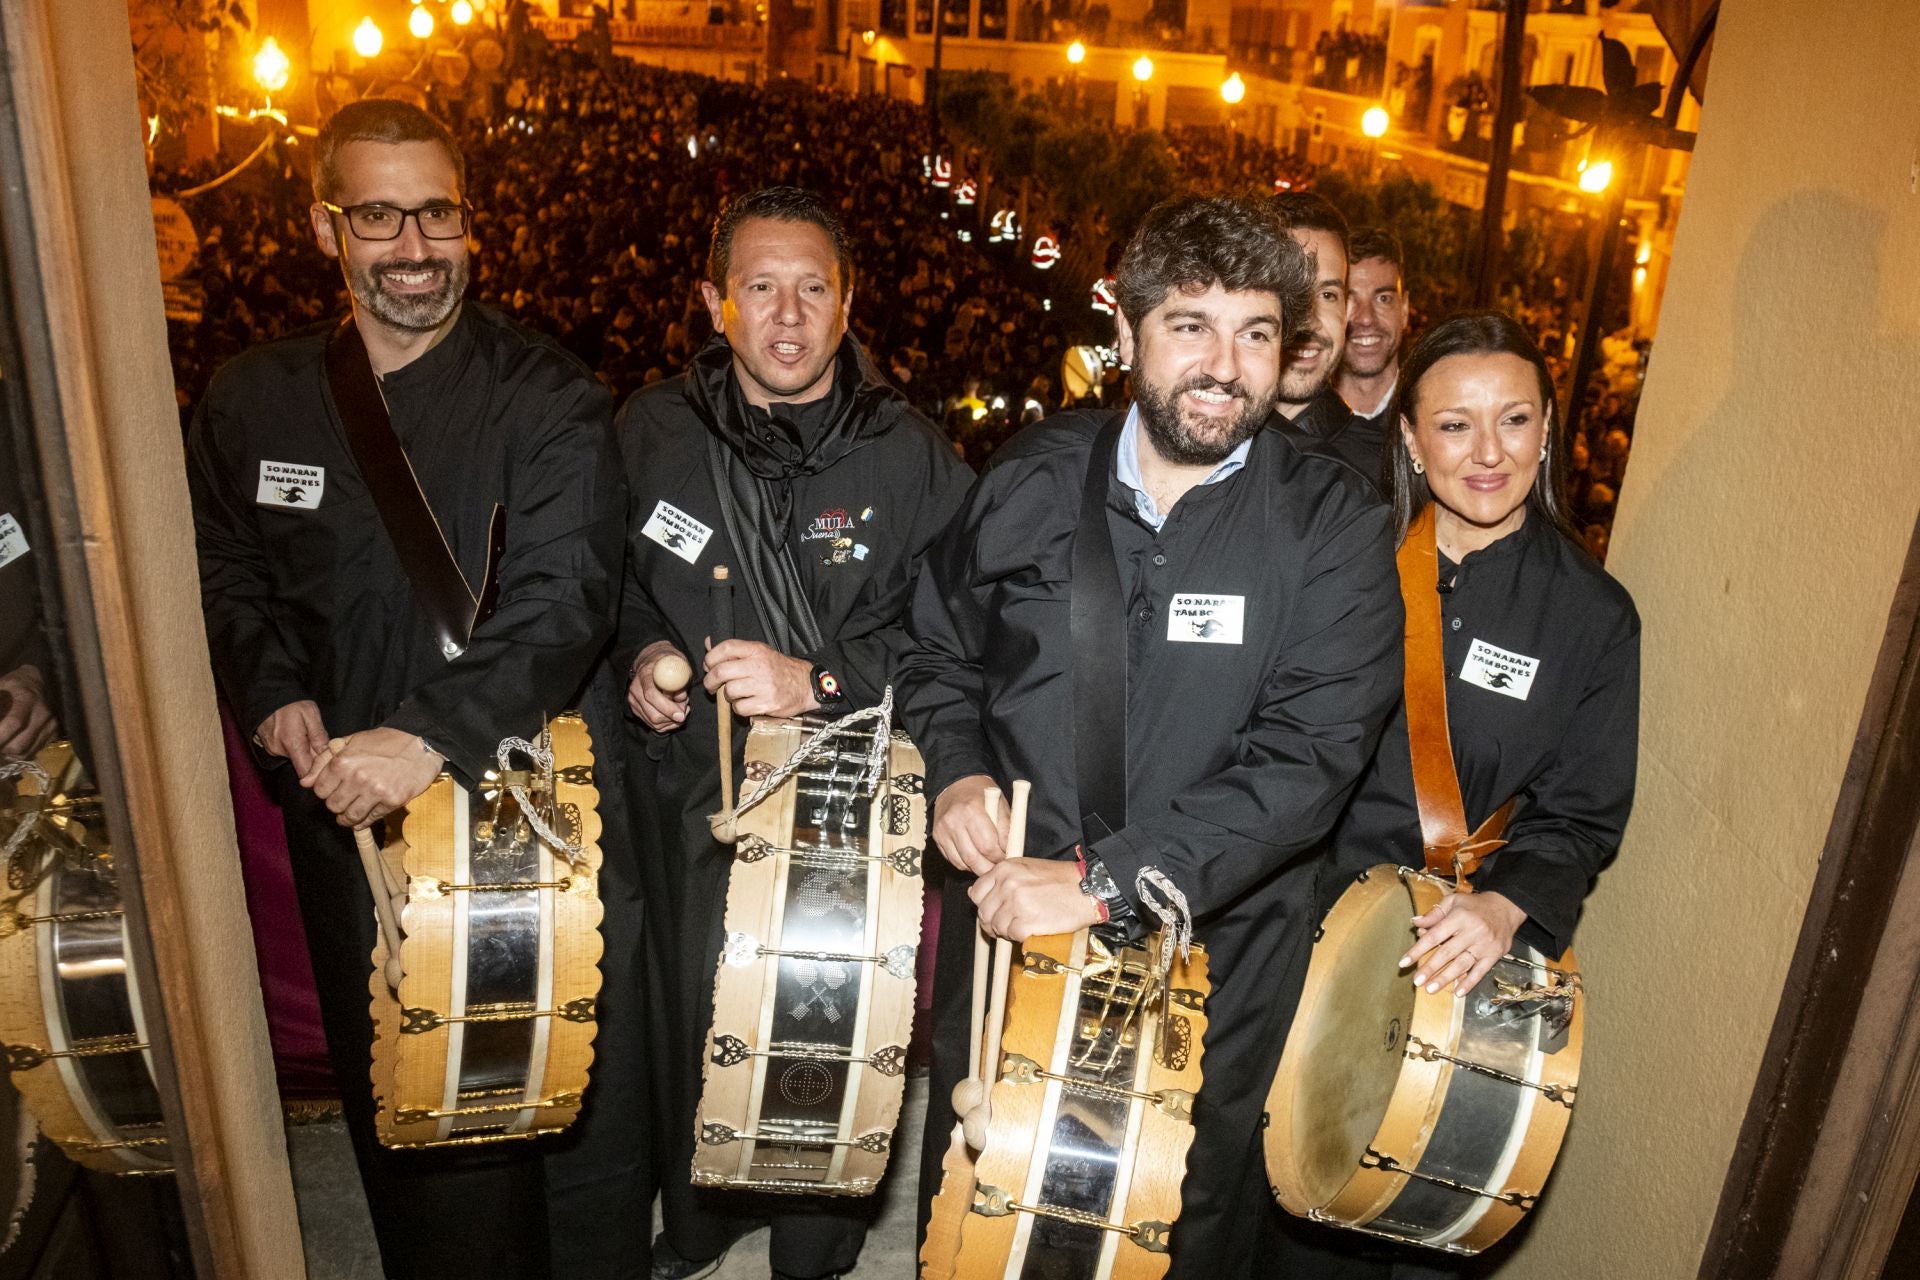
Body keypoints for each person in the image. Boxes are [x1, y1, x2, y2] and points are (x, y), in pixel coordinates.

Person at [899, 194, 1406, 1279]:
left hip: (1213, 964)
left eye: (1256, 333)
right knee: (998, 1194)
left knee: (1170, 1224)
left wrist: (1100, 879)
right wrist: (956, 774)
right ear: (1125, 334)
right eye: (1191, 326)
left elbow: (1309, 759)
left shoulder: (1337, 527)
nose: (1225, 365)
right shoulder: (1033, 476)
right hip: (1017, 943)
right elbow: (937, 650)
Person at [186, 99, 628, 1280]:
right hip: (344, 821)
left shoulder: (550, 398)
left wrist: (425, 736)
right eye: (378, 215)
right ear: (325, 226)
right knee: (395, 1103)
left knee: (498, 1133)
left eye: (436, 211)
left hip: (504, 815)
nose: (414, 246)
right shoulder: (254, 396)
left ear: (472, 222)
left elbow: (564, 603)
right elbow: (225, 562)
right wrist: (272, 688)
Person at [617, 185, 972, 1280]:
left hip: (846, 800)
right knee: (693, 1011)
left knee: (826, 1018)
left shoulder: (913, 455)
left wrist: (813, 676)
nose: (786, 314)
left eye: (812, 288)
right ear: (713, 302)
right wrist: (640, 658)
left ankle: (812, 1250)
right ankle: (699, 1221)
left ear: (849, 301)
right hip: (693, 798)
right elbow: (605, 590)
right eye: (760, 287)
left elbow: (955, 642)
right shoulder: (649, 431)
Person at [1287, 312, 1640, 1276]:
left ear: (1547, 430)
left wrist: (1504, 904)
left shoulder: (1592, 615)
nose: (1488, 453)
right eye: (1454, 425)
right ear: (1409, 435)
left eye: (1515, 420)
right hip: (1287, 925)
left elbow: (1582, 812)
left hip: (1441, 953)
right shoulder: (1343, 559)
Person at [1269, 191, 1378, 486]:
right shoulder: (1200, 440)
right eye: (1289, 292)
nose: (1308, 319)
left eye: (1328, 295)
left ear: (1348, 310)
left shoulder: (1381, 473)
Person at [1335, 226, 1412, 473]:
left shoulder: (1433, 420)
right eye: (1349, 299)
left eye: (1383, 299)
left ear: (1405, 309)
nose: (1366, 318)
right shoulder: (1296, 423)